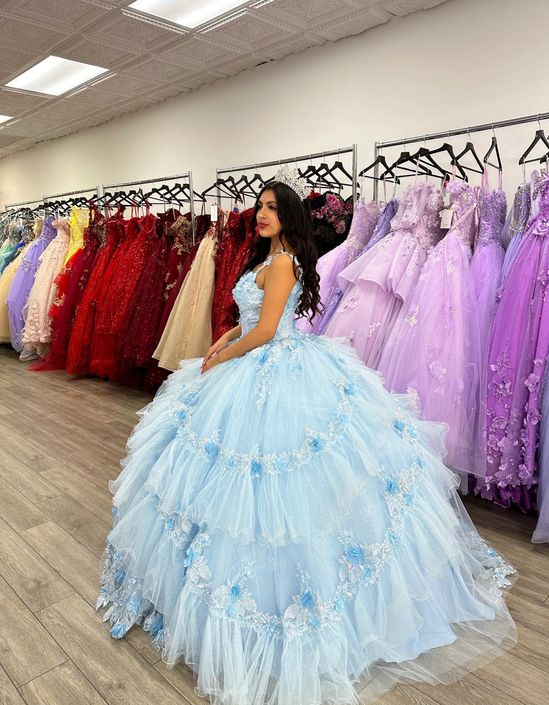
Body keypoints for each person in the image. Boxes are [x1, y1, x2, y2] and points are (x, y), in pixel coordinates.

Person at [97, 167, 516, 705]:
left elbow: (270, 331)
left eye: (272, 207)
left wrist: (224, 353)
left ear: (289, 215)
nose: (262, 213)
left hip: (279, 369)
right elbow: (251, 321)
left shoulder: (285, 264)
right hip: (254, 362)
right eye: (261, 206)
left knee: (282, 480)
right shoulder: (267, 260)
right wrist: (224, 337)